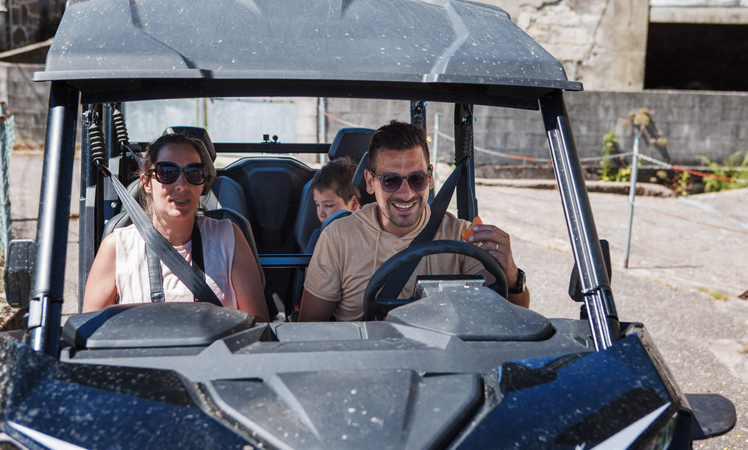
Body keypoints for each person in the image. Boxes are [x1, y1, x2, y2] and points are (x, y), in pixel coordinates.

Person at [298, 120, 529, 322]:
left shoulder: (463, 236)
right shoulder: (338, 237)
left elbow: (509, 320)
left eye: (416, 179)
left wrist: (512, 276)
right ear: (370, 181)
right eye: (390, 181)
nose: (406, 193)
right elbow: (311, 323)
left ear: (429, 178)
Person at [82, 131, 270, 321]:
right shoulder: (117, 246)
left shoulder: (229, 238)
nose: (181, 185)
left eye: (193, 173)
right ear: (146, 183)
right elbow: (91, 328)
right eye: (167, 172)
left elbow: (258, 323)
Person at [306, 156, 361, 253]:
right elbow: (310, 268)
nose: (320, 213)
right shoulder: (320, 236)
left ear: (353, 204)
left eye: (328, 205)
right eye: (317, 205)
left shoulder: (370, 234)